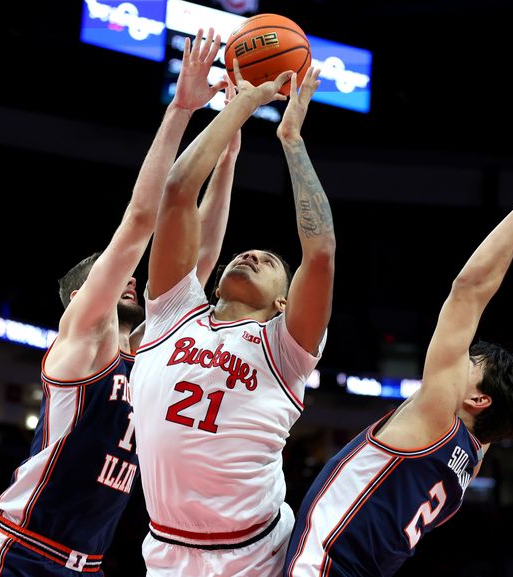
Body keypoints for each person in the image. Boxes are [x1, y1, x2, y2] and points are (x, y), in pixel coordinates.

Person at [0, 29, 235, 577]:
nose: (132, 281)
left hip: (89, 565)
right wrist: (181, 110)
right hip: (21, 551)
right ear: (82, 298)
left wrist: (227, 150)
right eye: (114, 277)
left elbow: (198, 260)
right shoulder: (87, 341)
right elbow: (138, 224)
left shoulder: (151, 348)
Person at [283, 172, 513, 576]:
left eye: (468, 365)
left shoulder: (437, 417)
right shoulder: (469, 455)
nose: (456, 361)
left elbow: (469, 290)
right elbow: (512, 393)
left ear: (475, 399)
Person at [129, 64, 334, 577]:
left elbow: (322, 252)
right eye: (244, 254)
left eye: (269, 262)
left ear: (284, 303)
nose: (251, 256)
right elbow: (178, 191)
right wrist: (241, 105)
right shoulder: (173, 312)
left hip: (258, 553)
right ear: (214, 281)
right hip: (165, 549)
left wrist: (290, 138)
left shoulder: (286, 347)